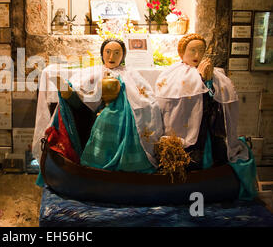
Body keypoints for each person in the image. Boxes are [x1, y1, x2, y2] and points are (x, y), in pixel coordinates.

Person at [35, 38, 163, 177]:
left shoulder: (130, 74)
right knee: (82, 102)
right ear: (102, 54)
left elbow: (145, 95)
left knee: (108, 121)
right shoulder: (93, 72)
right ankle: (69, 95)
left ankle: (118, 162)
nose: (111, 56)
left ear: (123, 56)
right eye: (107, 52)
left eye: (116, 53)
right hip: (94, 108)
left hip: (122, 113)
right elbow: (84, 89)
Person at [154, 33, 257, 200]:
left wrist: (208, 82)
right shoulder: (172, 75)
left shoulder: (216, 75)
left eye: (200, 50)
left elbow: (218, 100)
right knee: (192, 152)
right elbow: (169, 105)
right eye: (192, 50)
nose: (196, 55)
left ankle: (211, 178)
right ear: (182, 53)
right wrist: (200, 79)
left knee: (210, 149)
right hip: (185, 126)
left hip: (208, 123)